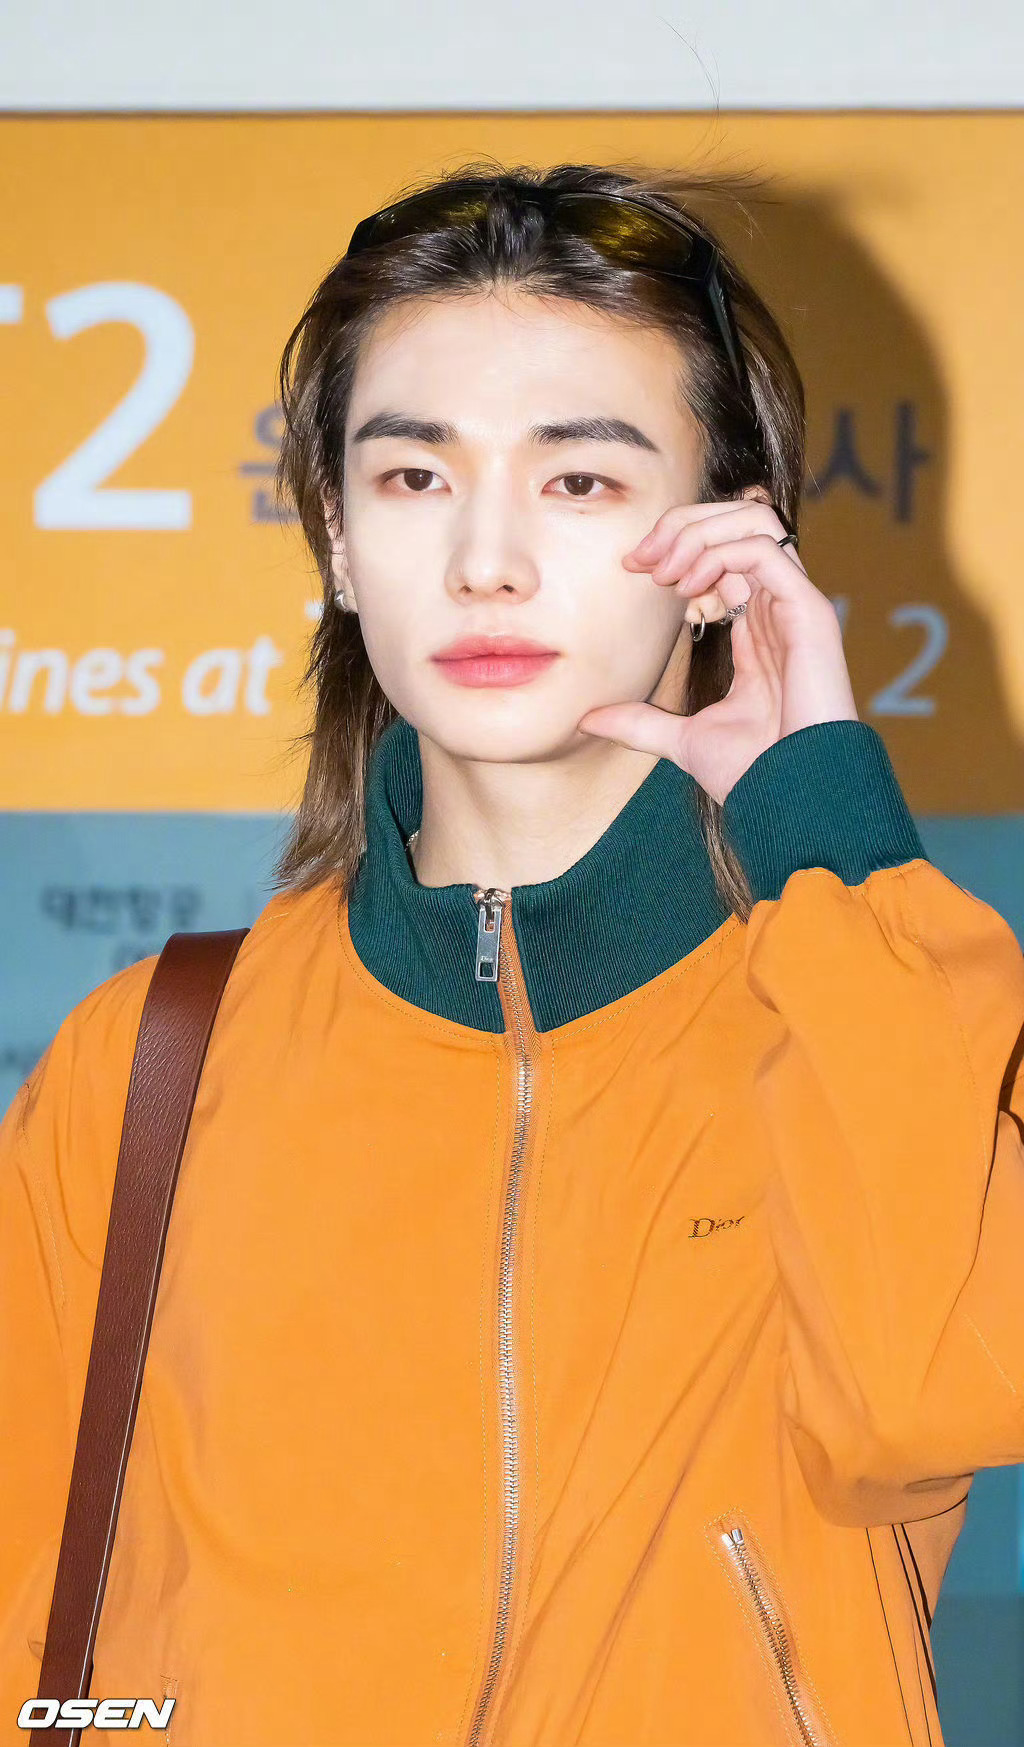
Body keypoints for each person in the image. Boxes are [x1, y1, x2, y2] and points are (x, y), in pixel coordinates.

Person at [2, 159, 1023, 1747]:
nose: (487, 560)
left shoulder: (855, 1012)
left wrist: (823, 832)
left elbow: (931, 1401)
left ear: (726, 540)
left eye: (581, 481)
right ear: (338, 538)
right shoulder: (152, 1062)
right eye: (414, 477)